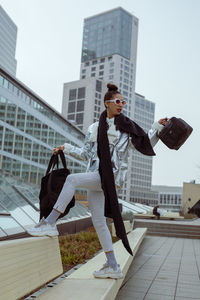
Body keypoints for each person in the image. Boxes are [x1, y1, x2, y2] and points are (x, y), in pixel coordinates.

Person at [27, 83, 168, 279]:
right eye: (117, 101)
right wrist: (65, 148)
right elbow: (86, 154)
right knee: (99, 221)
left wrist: (157, 128)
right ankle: (112, 265)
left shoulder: (126, 130)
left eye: (123, 102)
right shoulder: (94, 128)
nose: (121, 105)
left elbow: (144, 144)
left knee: (71, 179)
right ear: (107, 104)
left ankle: (49, 222)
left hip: (110, 176)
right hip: (96, 175)